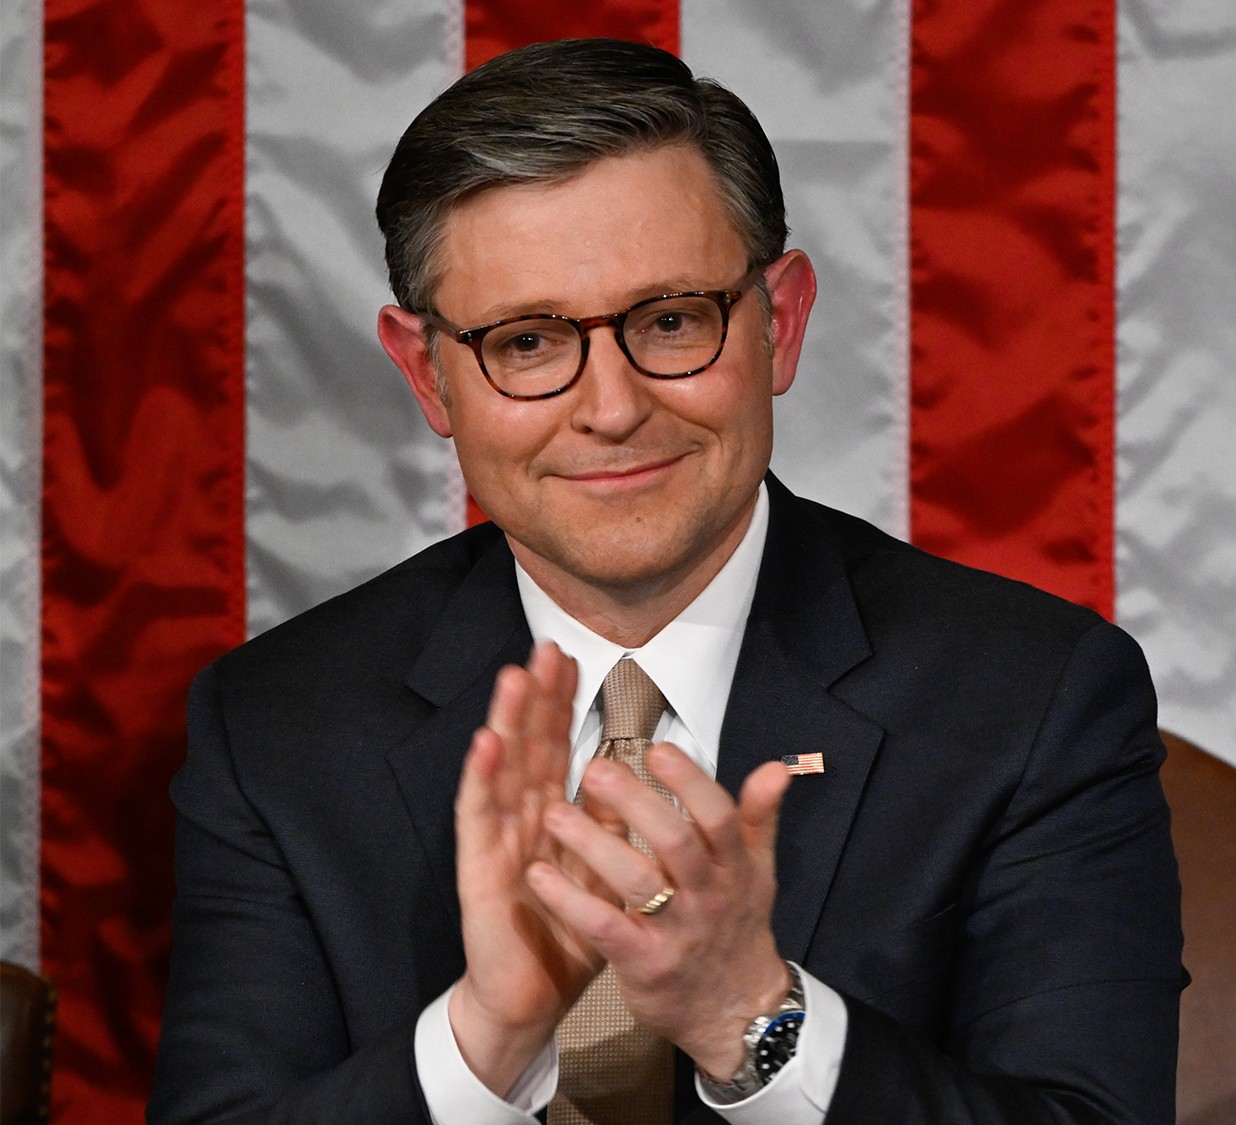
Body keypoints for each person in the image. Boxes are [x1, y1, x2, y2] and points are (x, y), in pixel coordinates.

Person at [150, 37, 1183, 1125]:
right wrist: (482, 1044)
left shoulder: (1033, 698)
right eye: (527, 342)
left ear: (781, 322)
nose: (611, 408)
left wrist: (752, 1015)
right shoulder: (276, 727)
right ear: (428, 375)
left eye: (672, 321)